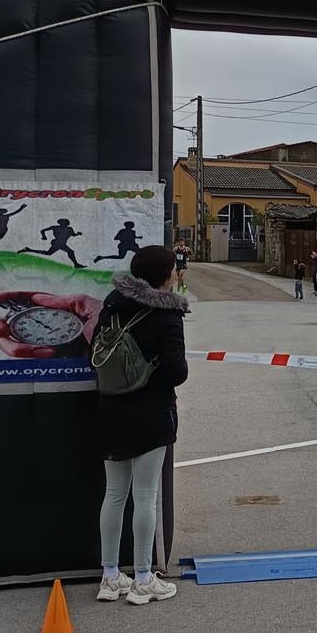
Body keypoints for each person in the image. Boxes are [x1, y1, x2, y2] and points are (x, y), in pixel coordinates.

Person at [94, 245, 188, 605]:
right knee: (145, 495)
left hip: (110, 406)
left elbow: (96, 348)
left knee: (114, 493)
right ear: (165, 275)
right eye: (173, 268)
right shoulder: (167, 313)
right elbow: (176, 372)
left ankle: (110, 576)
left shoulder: (113, 303)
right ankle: (144, 578)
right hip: (151, 409)